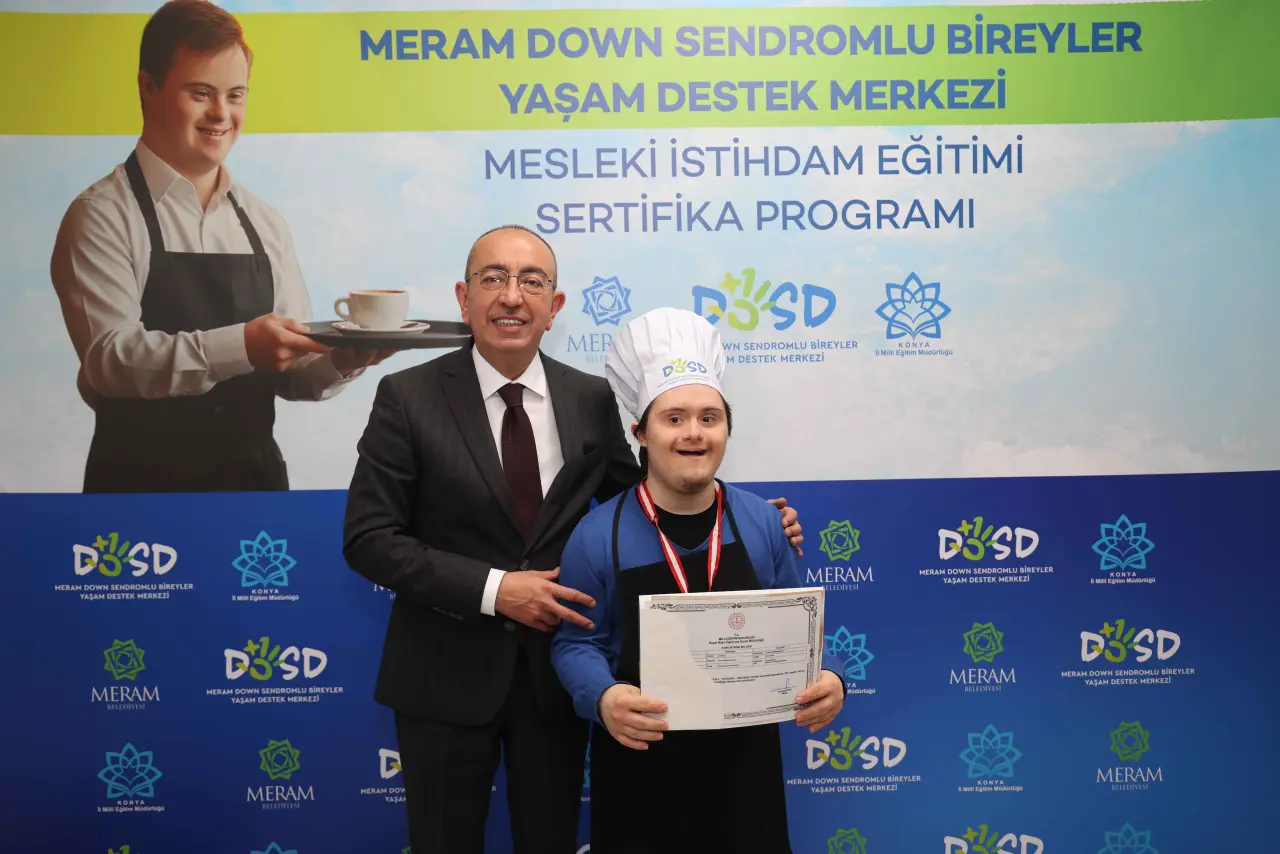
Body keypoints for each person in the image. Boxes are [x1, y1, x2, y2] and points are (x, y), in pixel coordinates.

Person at [341, 224, 805, 854]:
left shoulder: (588, 398)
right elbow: (369, 537)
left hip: (555, 682)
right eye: (493, 278)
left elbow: (644, 498)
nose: (512, 296)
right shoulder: (407, 395)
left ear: (554, 305)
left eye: (532, 282)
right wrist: (496, 590)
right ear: (463, 297)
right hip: (441, 675)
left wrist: (747, 520)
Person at [49, 0, 388, 494]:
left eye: (235, 95)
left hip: (254, 495)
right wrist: (243, 346)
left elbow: (293, 375)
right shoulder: (102, 214)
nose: (221, 114)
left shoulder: (265, 222)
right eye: (201, 93)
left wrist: (347, 358)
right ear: (148, 87)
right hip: (137, 501)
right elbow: (110, 361)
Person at [550, 307, 847, 854]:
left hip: (747, 776)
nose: (694, 433)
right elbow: (575, 643)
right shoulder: (596, 536)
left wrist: (830, 676)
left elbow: (802, 634)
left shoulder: (763, 523)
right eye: (674, 418)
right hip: (639, 772)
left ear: (728, 430)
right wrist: (604, 696)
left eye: (710, 418)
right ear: (641, 433)